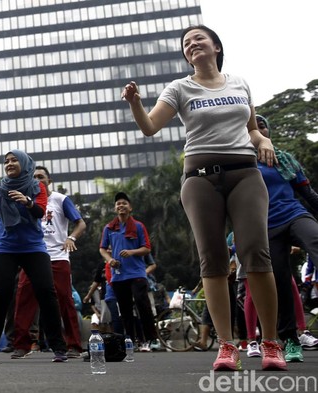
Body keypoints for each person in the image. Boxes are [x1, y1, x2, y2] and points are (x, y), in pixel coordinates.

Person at [121, 24, 285, 371]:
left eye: (199, 39)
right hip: (199, 179)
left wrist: (264, 141)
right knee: (211, 258)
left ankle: (271, 343)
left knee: (255, 251)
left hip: (245, 175)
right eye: (186, 43)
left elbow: (252, 129)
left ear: (215, 46)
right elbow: (150, 126)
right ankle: (227, 345)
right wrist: (135, 103)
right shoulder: (179, 87)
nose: (192, 44)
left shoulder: (240, 83)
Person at [0, 149, 68, 362]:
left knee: (46, 293)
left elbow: (39, 212)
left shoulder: (36, 186)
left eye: (14, 160)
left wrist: (27, 201)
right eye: (6, 161)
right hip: (4, 246)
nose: (9, 164)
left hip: (33, 247)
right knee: (0, 295)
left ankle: (59, 347)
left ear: (24, 163)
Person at [250, 114, 318, 363]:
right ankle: (290, 339)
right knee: (280, 283)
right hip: (267, 228)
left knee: (315, 241)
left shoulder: (284, 159)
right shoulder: (242, 163)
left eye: (263, 125)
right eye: (253, 127)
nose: (259, 129)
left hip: (295, 215)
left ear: (269, 131)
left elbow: (308, 194)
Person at [11, 165, 86, 359]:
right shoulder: (27, 201)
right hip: (32, 256)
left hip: (57, 257)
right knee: (23, 299)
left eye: (41, 177)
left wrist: (72, 238)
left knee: (64, 300)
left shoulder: (60, 200)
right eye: (34, 177)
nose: (37, 180)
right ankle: (22, 345)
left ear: (49, 180)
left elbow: (81, 223)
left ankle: (74, 346)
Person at [98, 192, 157, 352]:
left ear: (130, 207)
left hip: (137, 273)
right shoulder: (109, 228)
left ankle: (149, 339)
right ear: (115, 208)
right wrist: (110, 260)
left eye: (124, 203)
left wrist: (131, 252)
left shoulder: (138, 226)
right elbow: (102, 249)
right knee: (124, 310)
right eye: (118, 204)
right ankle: (130, 340)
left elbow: (146, 249)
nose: (121, 206)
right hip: (118, 275)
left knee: (141, 303)